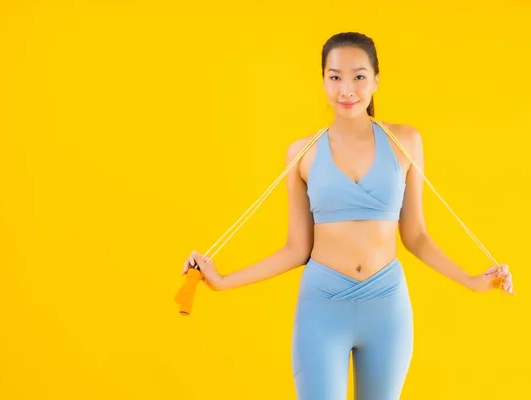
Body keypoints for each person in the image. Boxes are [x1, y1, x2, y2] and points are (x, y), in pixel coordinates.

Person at [183, 32, 514, 400]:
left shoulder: (406, 141)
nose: (347, 89)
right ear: (323, 80)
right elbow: (296, 248)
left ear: (375, 80)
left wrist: (471, 280)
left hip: (386, 305)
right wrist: (223, 280)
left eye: (358, 76)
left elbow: (416, 235)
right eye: (335, 76)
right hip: (322, 305)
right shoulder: (301, 153)